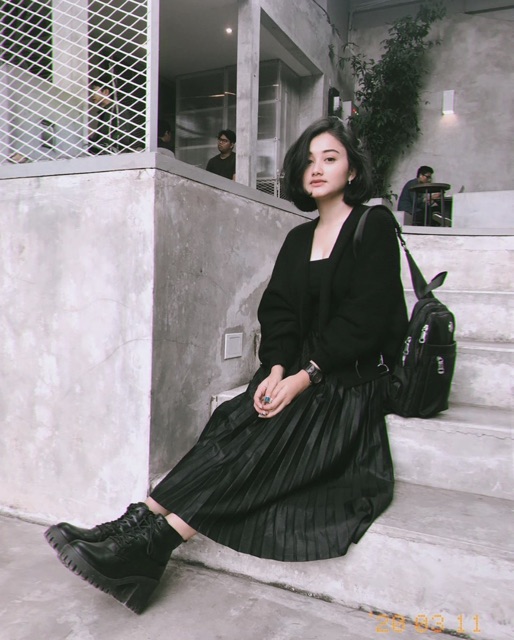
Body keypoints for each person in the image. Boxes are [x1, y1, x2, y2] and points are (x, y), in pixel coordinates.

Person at [44, 116, 408, 614]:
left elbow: (365, 318)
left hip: (350, 377)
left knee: (278, 432)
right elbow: (279, 313)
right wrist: (276, 369)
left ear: (352, 170)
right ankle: (136, 520)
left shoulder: (373, 224)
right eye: (309, 160)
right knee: (234, 419)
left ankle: (155, 544)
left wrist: (305, 377)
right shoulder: (299, 239)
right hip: (300, 368)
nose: (318, 168)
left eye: (330, 158)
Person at [88, 76, 118, 155]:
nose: (92, 95)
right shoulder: (105, 112)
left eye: (94, 91)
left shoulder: (115, 111)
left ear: (105, 92)